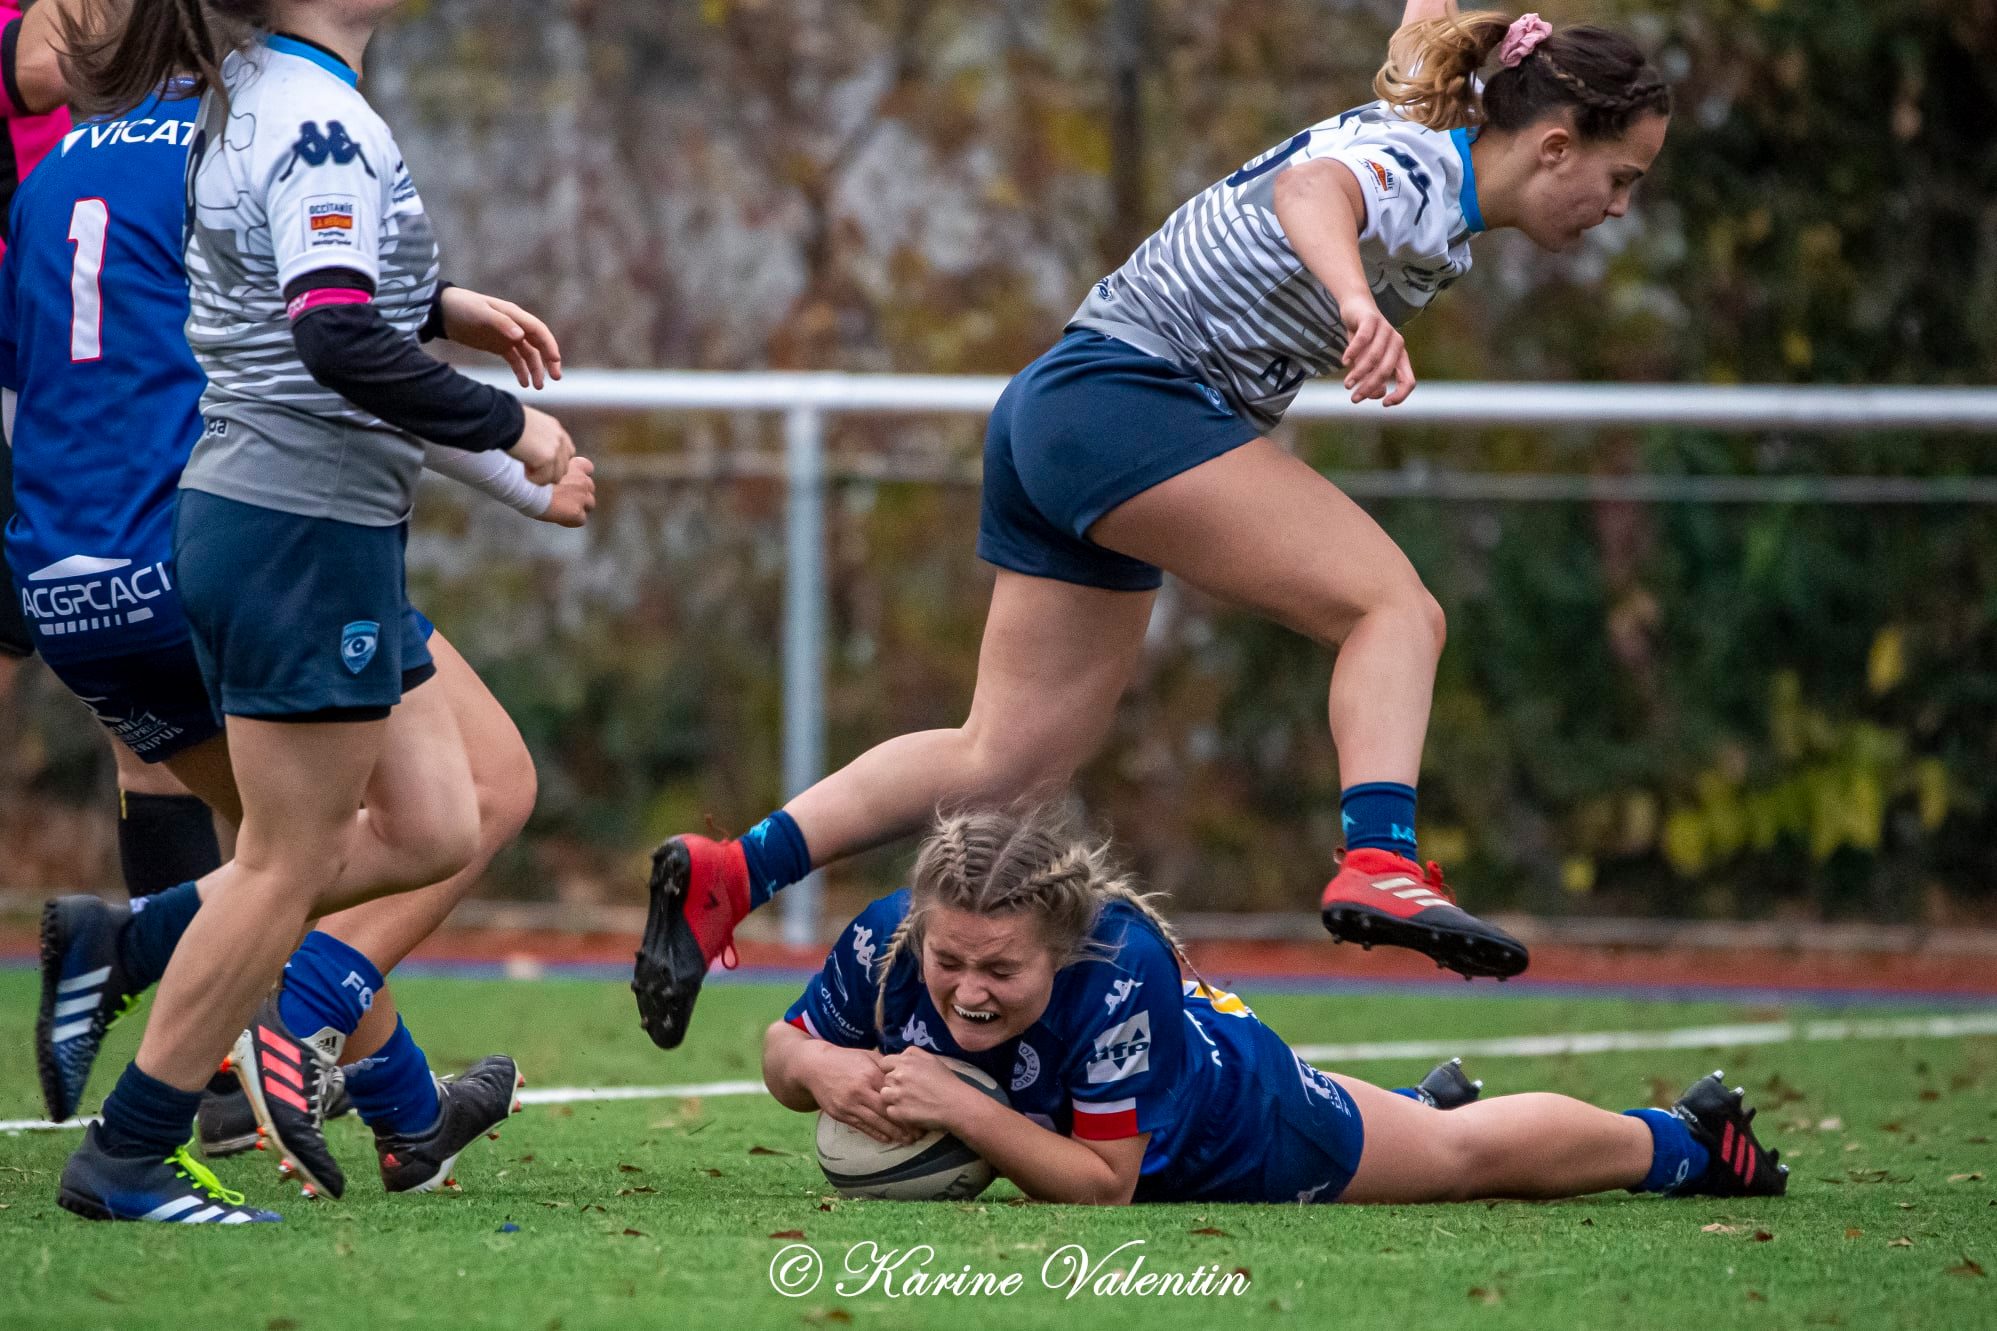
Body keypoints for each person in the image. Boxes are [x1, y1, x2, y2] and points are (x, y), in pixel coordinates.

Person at [635, 4, 1673, 1048]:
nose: (1618, 208)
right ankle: (1380, 857)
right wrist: (1355, 303)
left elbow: (1422, 27)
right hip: (1124, 402)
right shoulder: (1417, 169)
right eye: (1619, 179)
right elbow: (1307, 191)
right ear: (1551, 145)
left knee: (1001, 764)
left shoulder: (1424, 127)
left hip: (1063, 403)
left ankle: (732, 873)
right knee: (1393, 610)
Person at [7, 62, 592, 1195]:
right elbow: (324, 352)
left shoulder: (55, 170)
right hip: (240, 533)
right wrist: (512, 458)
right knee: (448, 804)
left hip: (74, 570)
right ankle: (152, 1014)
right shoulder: (255, 128)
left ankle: (404, 1109)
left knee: (294, 845)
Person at [763, 804, 1788, 1206]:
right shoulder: (896, 935)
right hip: (1171, 1084)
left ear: (1060, 947)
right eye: (953, 962)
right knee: (1422, 1127)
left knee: (1458, 1159)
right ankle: (1409, 1102)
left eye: (1001, 971)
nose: (966, 990)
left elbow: (1102, 1185)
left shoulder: (1117, 971)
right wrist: (818, 1067)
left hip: (1242, 1130)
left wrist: (959, 1106)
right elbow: (779, 1046)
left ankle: (1685, 1140)